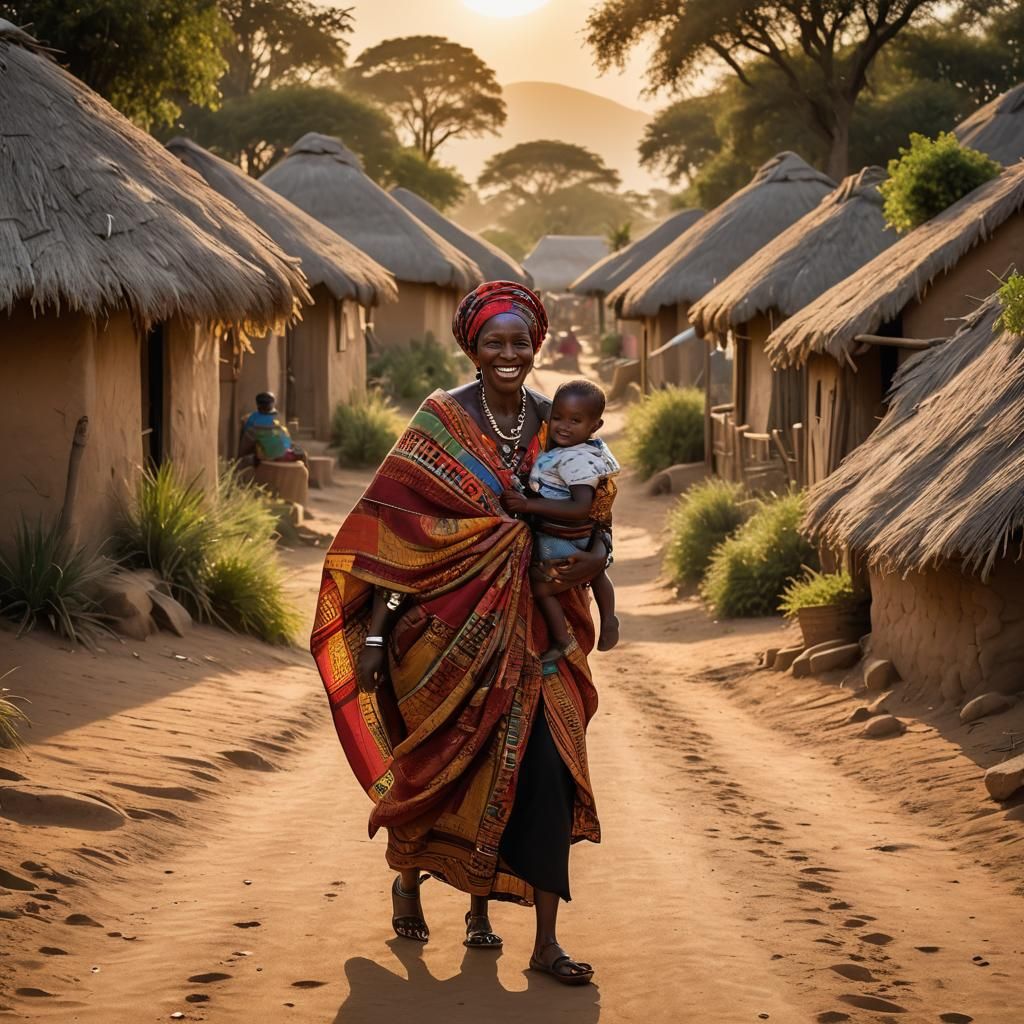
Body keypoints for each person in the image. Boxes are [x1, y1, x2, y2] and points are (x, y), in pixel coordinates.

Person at [310, 281, 609, 986]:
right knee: (442, 768)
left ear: (537, 344)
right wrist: (378, 641)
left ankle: (540, 940)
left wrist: (595, 566)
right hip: (438, 639)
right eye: (494, 341)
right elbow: (394, 536)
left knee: (546, 773)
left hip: (540, 636)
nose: (509, 353)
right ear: (471, 347)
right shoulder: (439, 422)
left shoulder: (557, 421)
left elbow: (595, 516)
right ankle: (411, 880)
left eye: (520, 341)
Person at [501, 379, 619, 662]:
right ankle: (610, 618)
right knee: (598, 573)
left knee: (540, 587)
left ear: (595, 426)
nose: (563, 426)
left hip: (561, 537)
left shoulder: (576, 460)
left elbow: (581, 508)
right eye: (558, 418)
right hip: (575, 535)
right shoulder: (579, 450)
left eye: (575, 420)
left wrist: (529, 503)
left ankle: (562, 640)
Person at [237, 392, 307, 467]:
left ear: (258, 404)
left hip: (265, 456)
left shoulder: (251, 419)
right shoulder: (277, 419)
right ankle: (308, 478)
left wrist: (240, 457)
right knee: (303, 454)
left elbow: (246, 444)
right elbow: (287, 440)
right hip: (285, 454)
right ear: (272, 404)